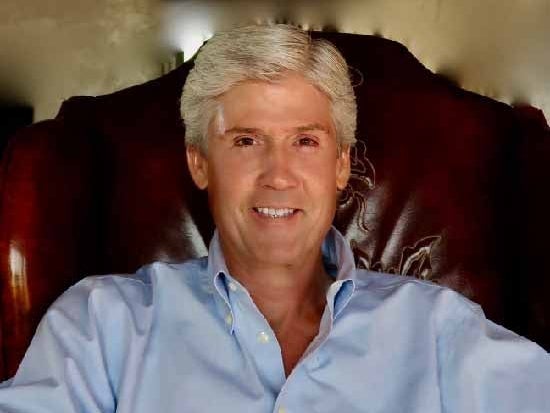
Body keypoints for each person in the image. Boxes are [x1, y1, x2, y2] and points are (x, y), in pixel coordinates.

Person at [0, 24, 548, 413]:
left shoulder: (439, 329)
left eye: (305, 141)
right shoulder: (99, 326)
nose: (278, 175)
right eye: (246, 141)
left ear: (340, 165)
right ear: (199, 162)